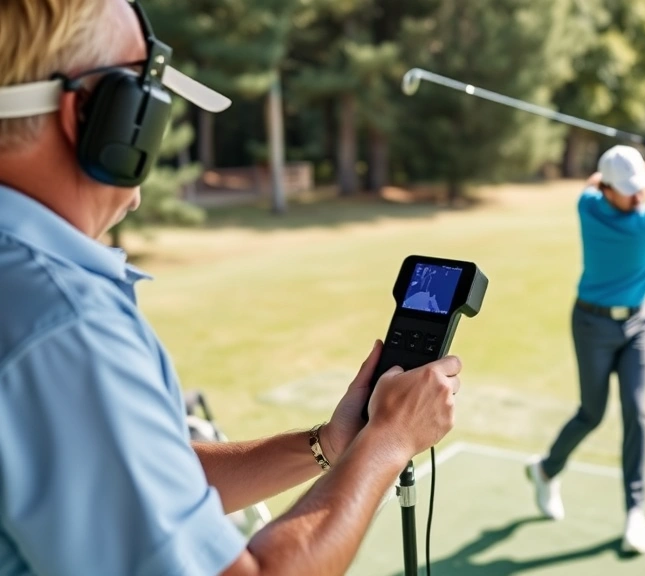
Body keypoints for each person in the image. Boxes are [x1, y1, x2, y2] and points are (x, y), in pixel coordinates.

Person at [0, 1, 461, 574]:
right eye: (147, 93)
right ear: (103, 118)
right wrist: (390, 439)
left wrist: (329, 445)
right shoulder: (63, 324)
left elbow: (144, 479)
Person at [526, 135, 645, 554]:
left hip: (638, 325)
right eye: (630, 189)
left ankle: (634, 512)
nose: (640, 195)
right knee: (592, 413)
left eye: (641, 186)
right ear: (609, 191)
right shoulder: (644, 224)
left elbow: (593, 180)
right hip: (592, 325)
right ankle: (547, 470)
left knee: (636, 414)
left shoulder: (588, 203)